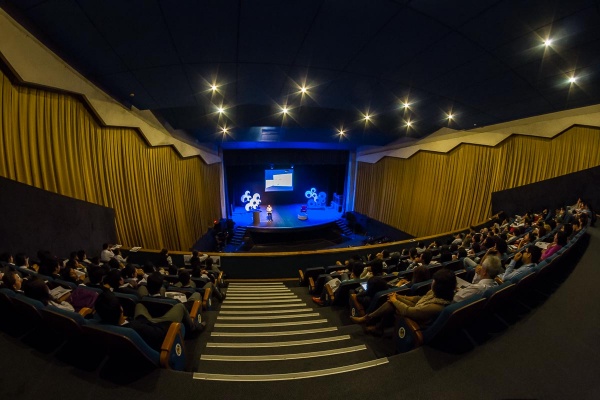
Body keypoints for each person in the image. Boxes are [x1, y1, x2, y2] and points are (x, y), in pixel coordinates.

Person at [350, 268, 457, 335]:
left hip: (416, 321)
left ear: (439, 286)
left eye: (434, 281)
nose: (432, 282)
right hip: (417, 307)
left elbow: (408, 311)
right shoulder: (436, 293)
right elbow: (418, 299)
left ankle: (368, 320)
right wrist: (398, 296)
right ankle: (374, 324)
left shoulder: (436, 307)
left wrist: (395, 300)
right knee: (391, 301)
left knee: (391, 302)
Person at [94, 290, 204, 350]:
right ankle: (194, 328)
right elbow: (161, 334)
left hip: (142, 321)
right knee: (180, 307)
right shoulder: (133, 330)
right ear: (121, 309)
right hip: (157, 327)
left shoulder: (99, 326)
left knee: (139, 305)